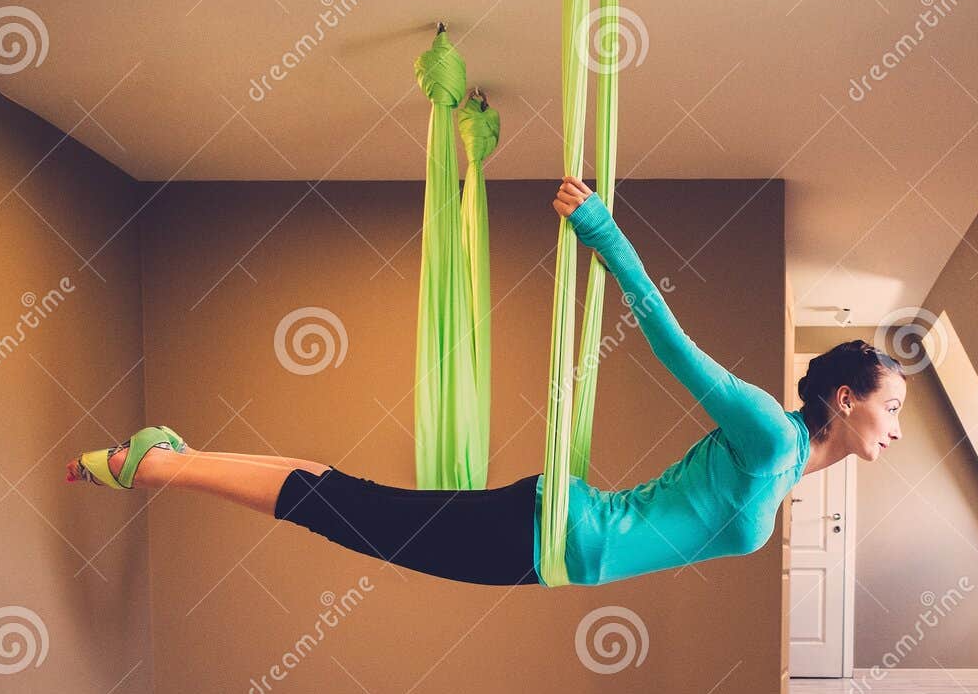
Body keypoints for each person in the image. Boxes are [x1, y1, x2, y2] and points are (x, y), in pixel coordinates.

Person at [67, 177, 906, 587]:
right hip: (550, 535)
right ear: (844, 396)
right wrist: (601, 230)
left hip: (553, 542)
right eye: (891, 406)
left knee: (356, 507)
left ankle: (168, 455)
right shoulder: (768, 435)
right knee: (353, 515)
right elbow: (665, 333)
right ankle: (159, 466)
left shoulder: (787, 463)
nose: (897, 427)